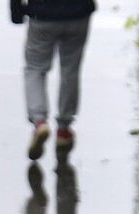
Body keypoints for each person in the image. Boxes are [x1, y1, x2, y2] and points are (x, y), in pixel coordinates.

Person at [10, 0, 94, 160]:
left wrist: (17, 12)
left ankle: (40, 121)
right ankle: (63, 129)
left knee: (35, 69)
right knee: (70, 70)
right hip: (78, 13)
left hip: (42, 13)